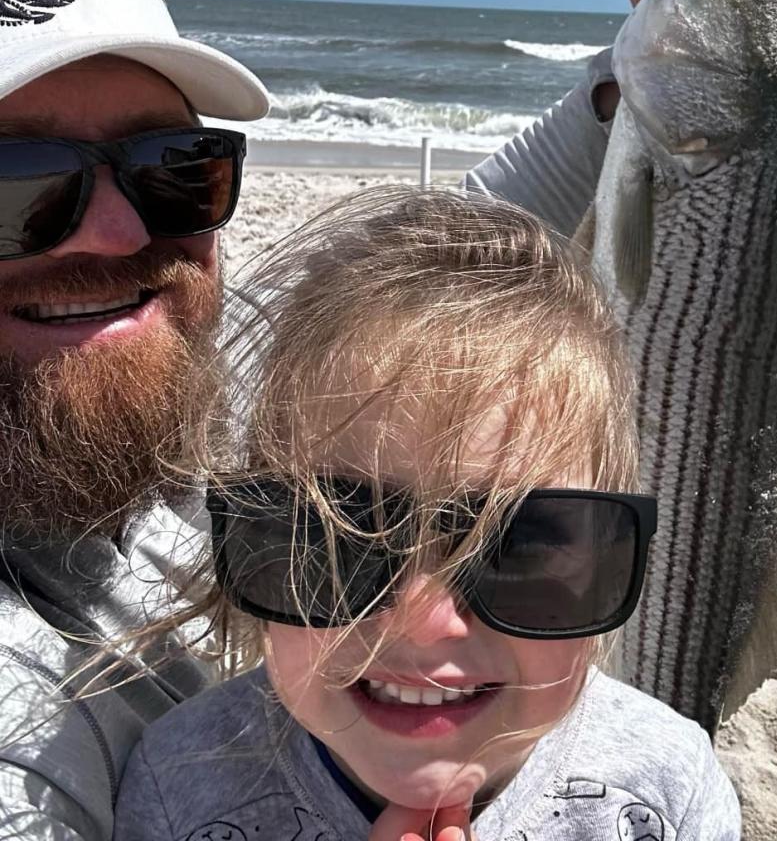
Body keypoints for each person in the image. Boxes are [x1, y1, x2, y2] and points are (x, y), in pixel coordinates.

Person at [0, 0, 718, 839]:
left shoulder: (156, 369)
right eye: (15, 186)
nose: (121, 234)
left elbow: (425, 296)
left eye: (171, 167)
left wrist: (644, 62)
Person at [112, 187, 741, 840]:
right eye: (339, 537)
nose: (425, 620)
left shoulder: (665, 789)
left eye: (517, 545)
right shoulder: (181, 787)